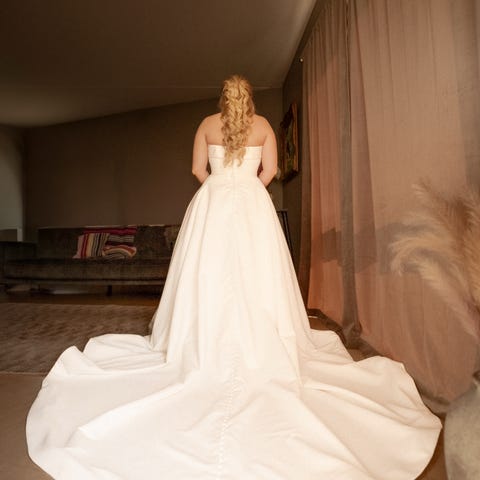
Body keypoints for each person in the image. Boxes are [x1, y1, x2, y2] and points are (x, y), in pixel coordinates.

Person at [26, 75, 441, 480]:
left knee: (207, 273)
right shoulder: (264, 126)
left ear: (223, 98)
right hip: (252, 204)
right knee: (257, 273)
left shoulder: (206, 124)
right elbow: (271, 171)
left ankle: (202, 339)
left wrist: (222, 186)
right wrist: (246, 186)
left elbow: (197, 170)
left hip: (213, 203)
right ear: (249, 97)